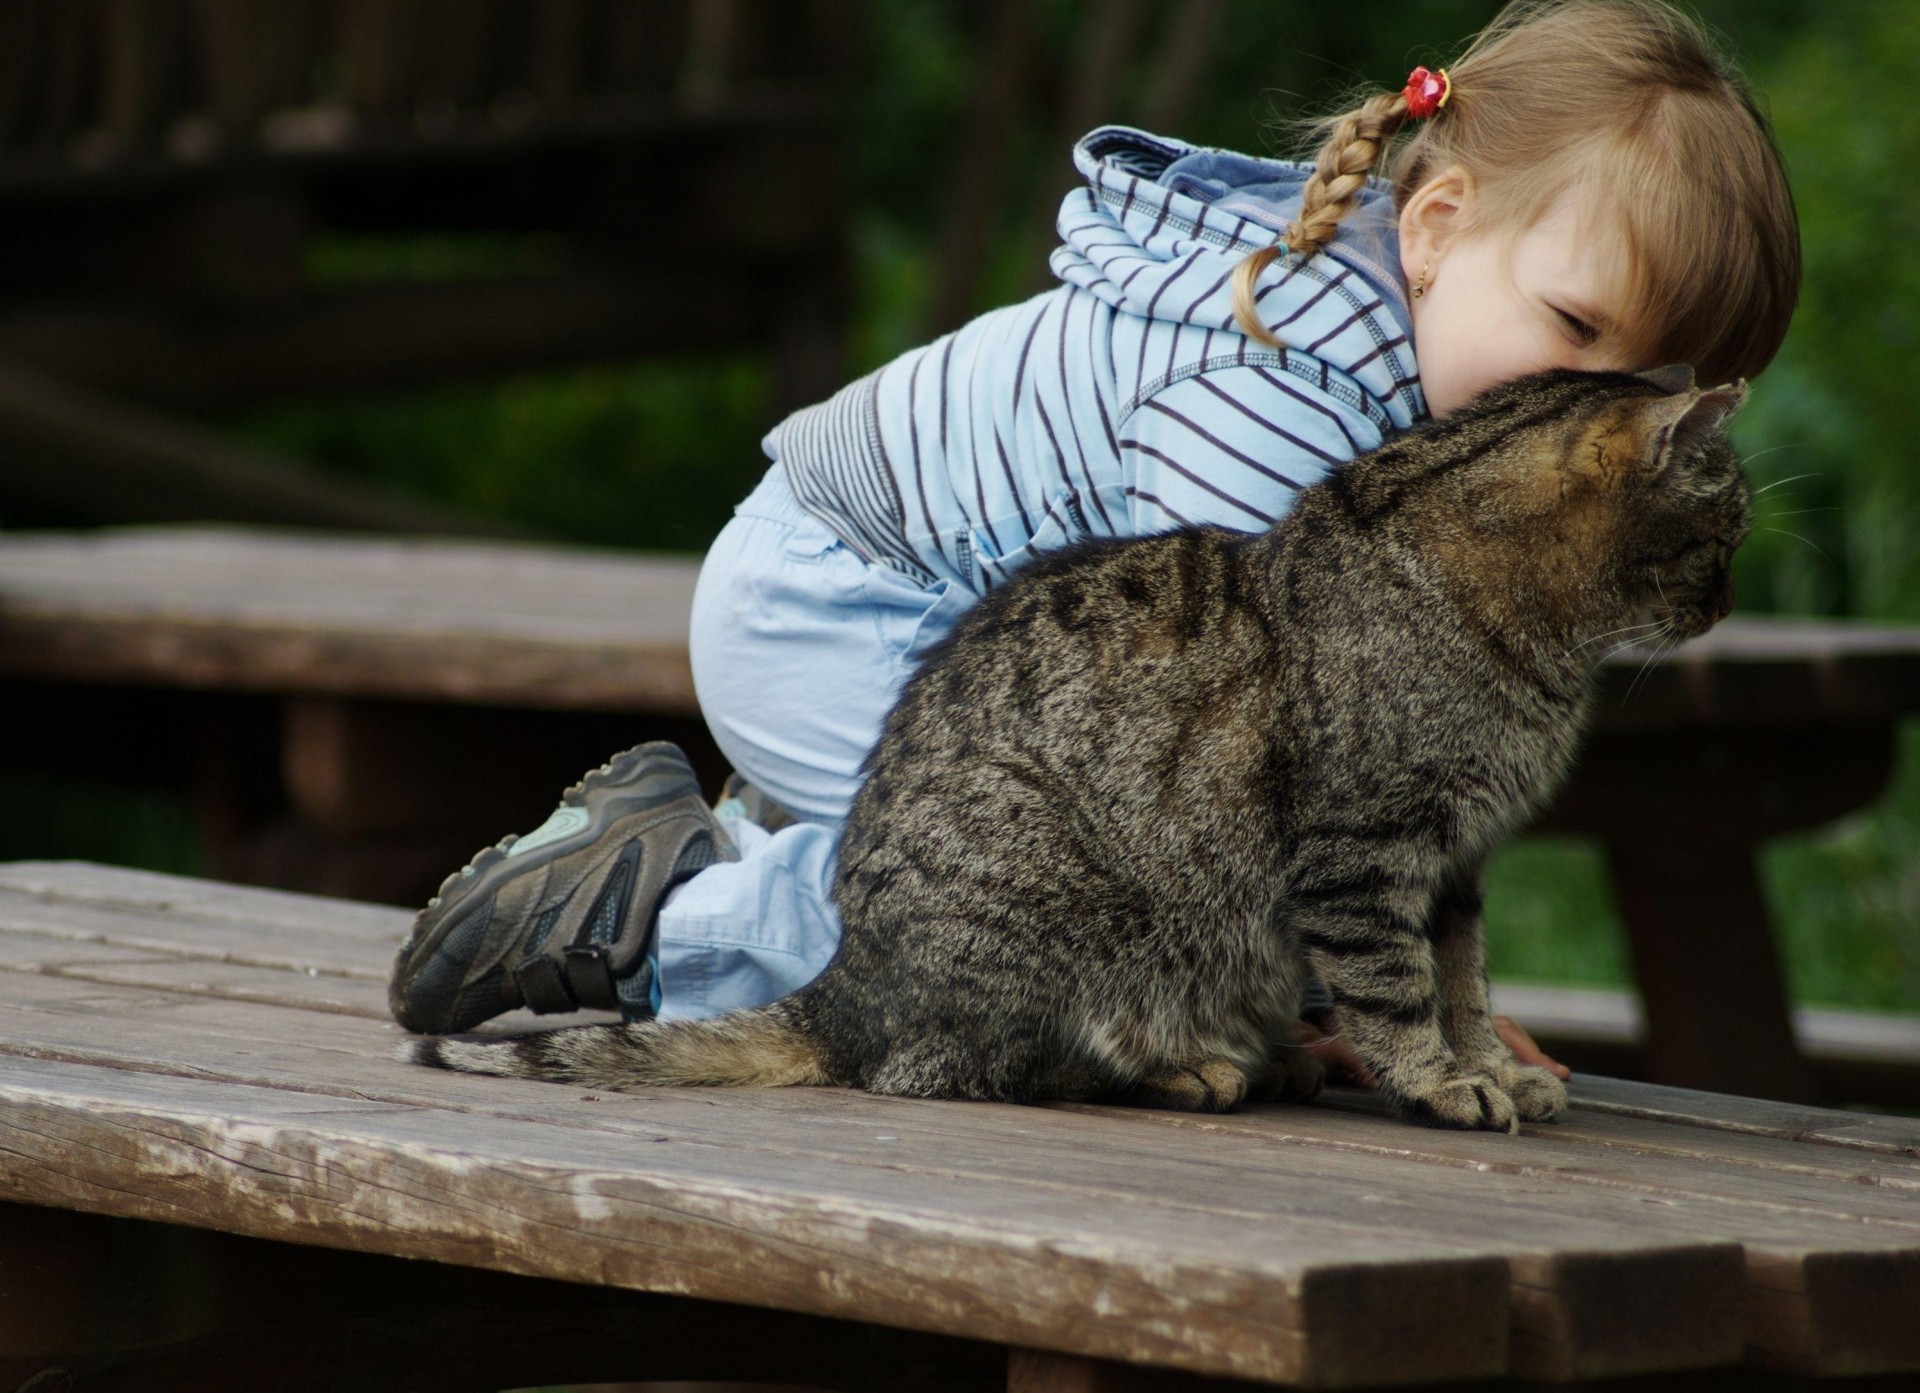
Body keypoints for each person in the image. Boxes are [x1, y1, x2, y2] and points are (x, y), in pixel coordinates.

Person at [388, 0, 1799, 1088]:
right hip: (841, 591)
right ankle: (644, 913)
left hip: (907, 603)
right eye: (1574, 329)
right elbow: (1239, 762)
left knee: (1014, 876)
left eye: (1648, 390)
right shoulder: (1293, 390)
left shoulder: (1392, 350)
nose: (1592, 409)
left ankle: (705, 840)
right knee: (981, 919)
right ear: (1434, 224)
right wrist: (1368, 1007)